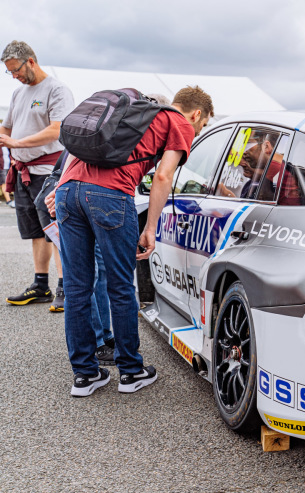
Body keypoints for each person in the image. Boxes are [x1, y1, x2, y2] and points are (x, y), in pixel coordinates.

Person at [49, 86, 213, 397]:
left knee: (76, 287)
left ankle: (85, 375)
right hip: (109, 195)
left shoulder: (135, 113)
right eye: (202, 125)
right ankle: (130, 371)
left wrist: (61, 192)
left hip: (67, 192)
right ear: (196, 114)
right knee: (121, 286)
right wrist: (150, 227)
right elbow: (163, 176)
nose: (198, 130)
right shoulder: (178, 122)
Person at [0, 40, 73, 310]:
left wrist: (17, 143)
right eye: (9, 72)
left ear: (30, 61)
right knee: (35, 232)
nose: (14, 76)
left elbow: (57, 129)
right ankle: (41, 286)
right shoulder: (18, 93)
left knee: (56, 231)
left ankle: (65, 287)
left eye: (16, 70)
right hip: (24, 172)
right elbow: (7, 127)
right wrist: (5, 139)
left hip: (48, 172)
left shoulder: (57, 90)